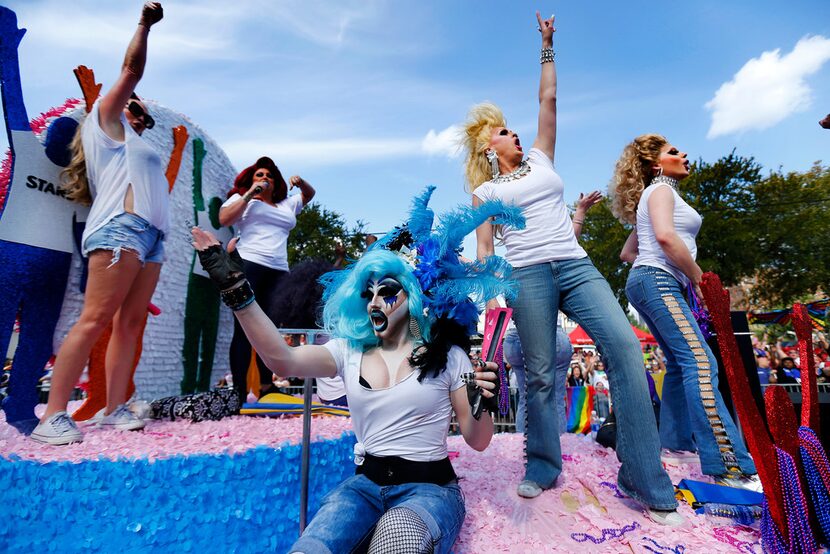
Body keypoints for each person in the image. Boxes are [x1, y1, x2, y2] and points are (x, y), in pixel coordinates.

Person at [192, 185, 518, 553]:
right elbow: (280, 360)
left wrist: (486, 399)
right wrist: (238, 293)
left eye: (388, 291)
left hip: (429, 491)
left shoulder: (447, 356)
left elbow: (478, 440)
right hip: (362, 488)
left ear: (412, 297)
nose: (375, 301)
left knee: (396, 540)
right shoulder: (347, 350)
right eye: (369, 293)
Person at [461, 12, 680, 524]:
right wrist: (495, 296)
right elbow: (486, 246)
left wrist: (547, 46)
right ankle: (542, 464)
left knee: (626, 348)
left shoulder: (541, 156)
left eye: (512, 128)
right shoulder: (486, 191)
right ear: (486, 148)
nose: (514, 133)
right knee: (539, 373)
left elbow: (547, 101)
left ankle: (644, 477)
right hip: (528, 276)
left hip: (576, 266)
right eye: (502, 131)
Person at [31, 2, 166, 445]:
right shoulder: (105, 123)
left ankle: (114, 408)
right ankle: (52, 416)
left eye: (141, 111)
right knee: (94, 320)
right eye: (132, 104)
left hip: (151, 238)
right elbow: (131, 68)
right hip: (120, 228)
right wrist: (144, 25)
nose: (136, 110)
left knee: (129, 326)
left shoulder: (137, 142)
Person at [611, 133, 758, 489]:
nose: (684, 153)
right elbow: (664, 237)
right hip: (658, 281)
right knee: (700, 362)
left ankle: (675, 445)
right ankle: (729, 464)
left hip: (650, 279)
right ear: (657, 164)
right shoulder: (660, 191)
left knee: (679, 364)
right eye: (674, 151)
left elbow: (628, 253)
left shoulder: (660, 195)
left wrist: (672, 271)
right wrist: (698, 278)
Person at [218, 156, 315, 403]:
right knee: (243, 329)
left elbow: (309, 194)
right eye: (259, 175)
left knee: (269, 330)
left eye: (269, 176)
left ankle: (265, 387)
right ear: (251, 179)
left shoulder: (286, 205)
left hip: (279, 271)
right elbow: (224, 219)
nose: (264, 179)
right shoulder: (243, 200)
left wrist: (301, 182)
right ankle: (238, 391)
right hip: (249, 264)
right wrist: (250, 193)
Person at [503, 190, 599, 434]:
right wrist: (579, 213)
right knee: (555, 398)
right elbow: (569, 245)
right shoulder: (545, 251)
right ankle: (558, 454)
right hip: (546, 334)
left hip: (515, 337)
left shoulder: (510, 260)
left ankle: (523, 456)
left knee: (526, 398)